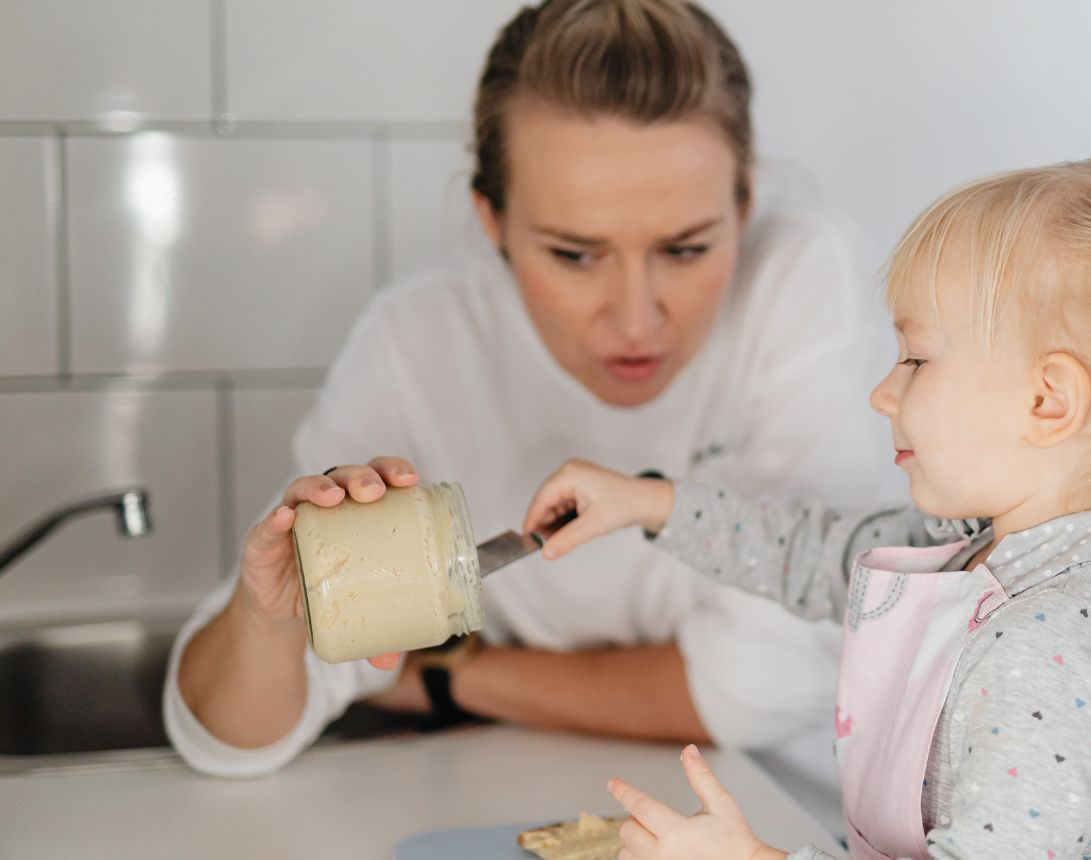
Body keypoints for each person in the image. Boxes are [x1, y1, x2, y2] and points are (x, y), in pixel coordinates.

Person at [164, 0, 896, 812]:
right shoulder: (419, 345)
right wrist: (272, 622)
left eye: (687, 249)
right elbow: (226, 742)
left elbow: (763, 688)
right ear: (494, 222)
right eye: (575, 255)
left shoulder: (803, 281)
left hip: (786, 815)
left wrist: (444, 676)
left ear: (745, 207)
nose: (635, 319)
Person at [521, 157, 1091, 858]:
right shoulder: (976, 553)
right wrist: (647, 502)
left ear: (1048, 401)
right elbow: (811, 551)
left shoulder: (1041, 649)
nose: (883, 393)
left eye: (915, 358)